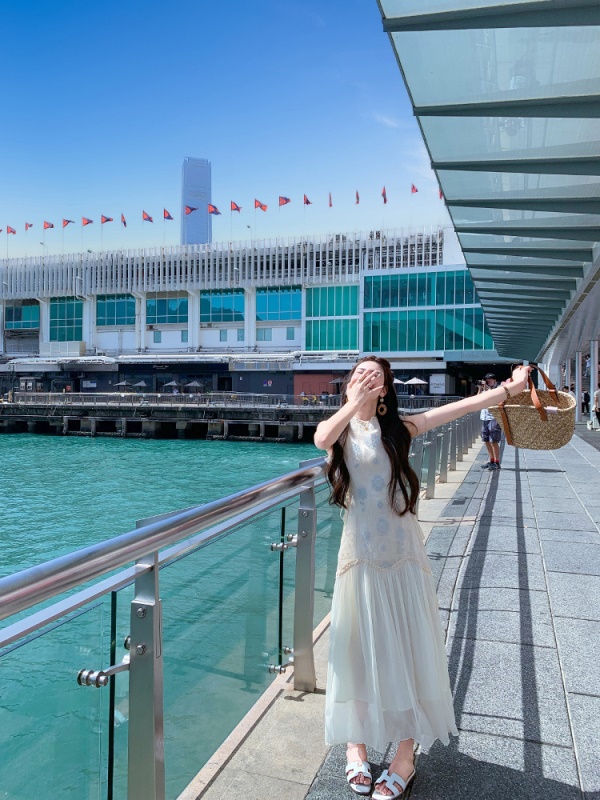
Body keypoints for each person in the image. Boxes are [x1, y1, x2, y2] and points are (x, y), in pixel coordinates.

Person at [313, 356, 531, 799]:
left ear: (386, 391)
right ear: (350, 383)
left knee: (408, 648)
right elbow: (321, 438)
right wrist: (351, 403)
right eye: (359, 373)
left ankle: (405, 756)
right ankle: (355, 745)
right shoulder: (340, 430)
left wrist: (511, 388)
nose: (366, 378)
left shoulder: (399, 429)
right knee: (356, 651)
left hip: (403, 556)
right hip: (359, 559)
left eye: (375, 376)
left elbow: (463, 407)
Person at [477, 372, 502, 470]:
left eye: (490, 380)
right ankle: (491, 460)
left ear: (494, 380)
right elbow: (478, 399)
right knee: (486, 440)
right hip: (484, 417)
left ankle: (497, 462)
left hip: (494, 417)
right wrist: (480, 389)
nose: (488, 382)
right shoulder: (486, 390)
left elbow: (492, 398)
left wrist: (487, 389)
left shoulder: (498, 389)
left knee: (493, 441)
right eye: (487, 380)